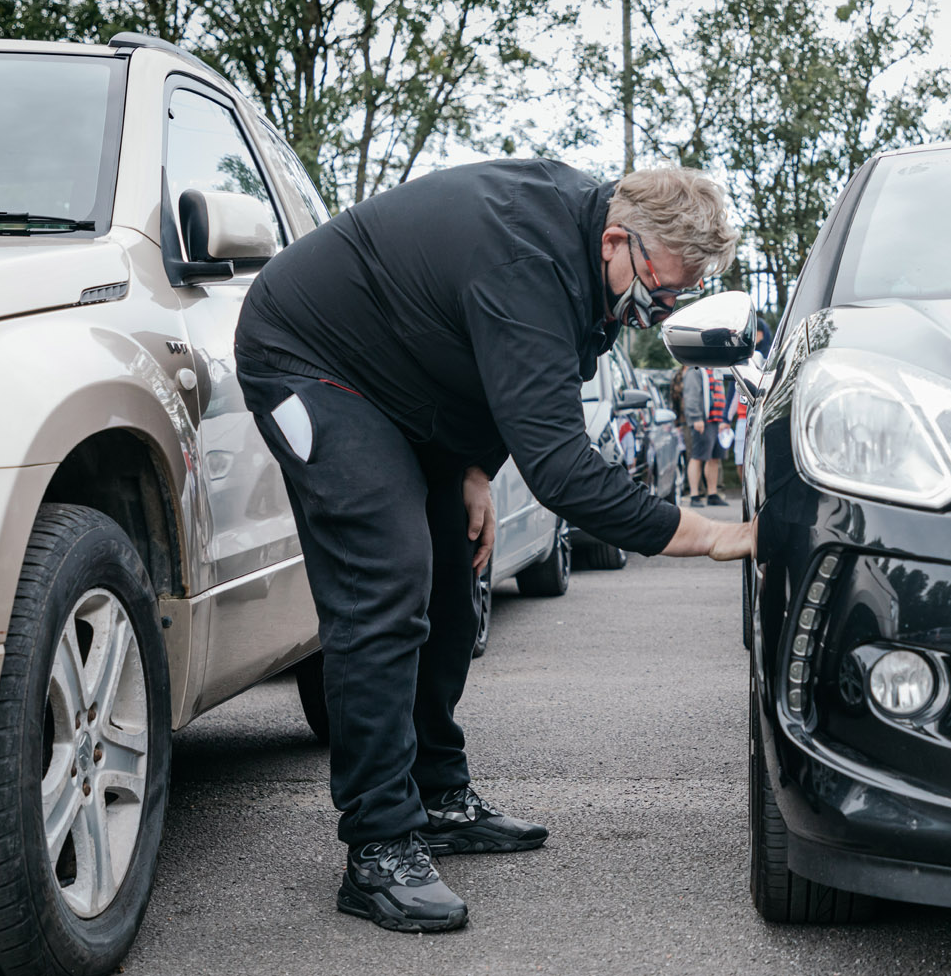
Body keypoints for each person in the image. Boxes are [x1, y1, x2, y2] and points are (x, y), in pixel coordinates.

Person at [233, 160, 751, 934]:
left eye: (674, 299)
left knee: (453, 580)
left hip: (410, 385)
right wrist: (706, 534)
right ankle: (378, 847)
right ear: (618, 241)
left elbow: (515, 385)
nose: (657, 311)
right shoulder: (527, 261)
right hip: (311, 363)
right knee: (386, 580)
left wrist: (474, 471)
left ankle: (438, 796)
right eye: (658, 292)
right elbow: (563, 471)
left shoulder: (588, 254)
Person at [682, 364, 728, 507]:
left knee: (714, 458)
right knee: (698, 457)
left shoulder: (715, 369)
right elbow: (691, 396)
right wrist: (696, 417)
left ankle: (712, 494)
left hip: (717, 420)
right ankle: (694, 495)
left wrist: (723, 419)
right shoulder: (695, 370)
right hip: (703, 420)